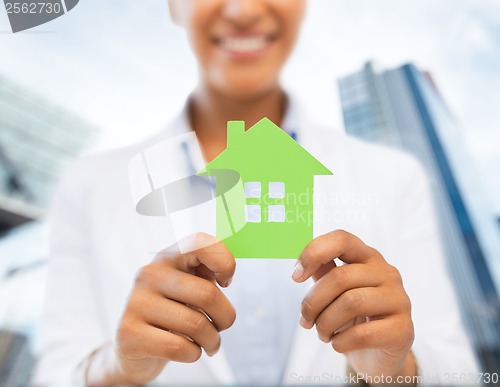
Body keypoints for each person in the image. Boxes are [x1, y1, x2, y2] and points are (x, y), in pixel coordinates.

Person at [34, 0, 479, 385]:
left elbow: (460, 371)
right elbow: (55, 373)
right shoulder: (91, 184)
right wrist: (117, 368)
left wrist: (397, 371)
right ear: (173, 4)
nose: (244, 10)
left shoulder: (394, 176)